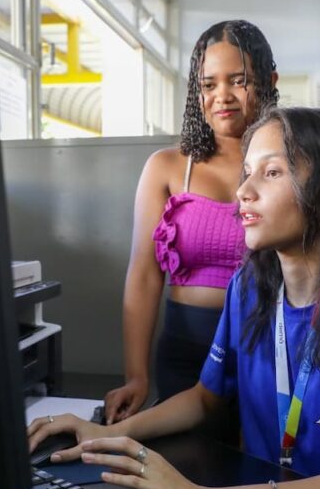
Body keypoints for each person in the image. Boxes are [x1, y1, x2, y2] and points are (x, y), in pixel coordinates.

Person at [28, 107, 320, 489]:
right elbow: (206, 398)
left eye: (272, 173)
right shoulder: (250, 286)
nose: (243, 190)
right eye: (247, 172)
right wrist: (107, 433)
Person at [103, 21, 279, 424]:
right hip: (186, 350)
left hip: (269, 347)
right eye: (208, 84)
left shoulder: (292, 162)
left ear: (269, 82)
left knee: (260, 458)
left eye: (238, 81)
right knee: (183, 456)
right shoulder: (166, 167)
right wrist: (136, 376)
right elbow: (144, 275)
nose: (222, 96)